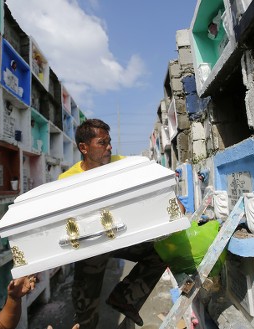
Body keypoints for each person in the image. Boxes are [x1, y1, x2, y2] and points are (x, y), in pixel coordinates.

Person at [58, 119, 169, 328]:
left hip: (122, 237)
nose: (109, 147)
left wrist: (172, 201)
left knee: (162, 253)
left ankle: (124, 296)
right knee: (85, 313)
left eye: (109, 142)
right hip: (89, 247)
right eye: (102, 143)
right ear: (83, 148)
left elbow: (154, 182)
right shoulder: (67, 180)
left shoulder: (123, 164)